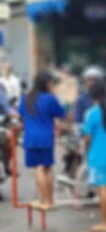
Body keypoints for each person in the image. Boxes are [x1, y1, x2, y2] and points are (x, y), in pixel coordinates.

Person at [19, 70, 66, 210]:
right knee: (47, 168)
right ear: (46, 83)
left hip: (31, 138)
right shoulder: (50, 99)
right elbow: (61, 114)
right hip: (46, 138)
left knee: (38, 168)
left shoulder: (26, 98)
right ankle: (50, 200)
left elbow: (20, 115)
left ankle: (44, 200)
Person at [81, 81, 106, 232]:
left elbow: (87, 136)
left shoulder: (91, 113)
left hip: (97, 155)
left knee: (102, 189)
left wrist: (85, 150)